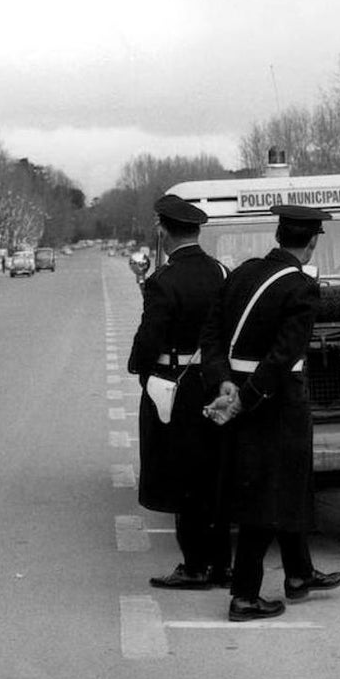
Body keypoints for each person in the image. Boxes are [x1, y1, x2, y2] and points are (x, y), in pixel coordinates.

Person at [200, 205, 340, 621]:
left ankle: (299, 573)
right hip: (277, 403)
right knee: (267, 497)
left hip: (239, 393)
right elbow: (283, 357)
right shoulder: (301, 288)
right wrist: (247, 398)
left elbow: (211, 335)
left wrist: (224, 382)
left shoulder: (242, 273)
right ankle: (244, 596)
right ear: (312, 242)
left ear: (278, 236)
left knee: (286, 486)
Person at [128, 194, 231, 590]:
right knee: (214, 477)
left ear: (164, 232)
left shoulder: (163, 281)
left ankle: (194, 566)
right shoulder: (221, 272)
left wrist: (140, 369)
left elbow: (149, 337)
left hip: (175, 386)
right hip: (214, 382)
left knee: (183, 480)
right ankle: (222, 565)